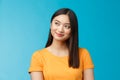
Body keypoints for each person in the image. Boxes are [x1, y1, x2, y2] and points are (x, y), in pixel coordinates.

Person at [28, 8, 94, 80]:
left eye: (66, 26)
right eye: (57, 23)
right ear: (51, 25)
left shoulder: (83, 54)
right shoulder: (38, 56)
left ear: (72, 30)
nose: (60, 30)